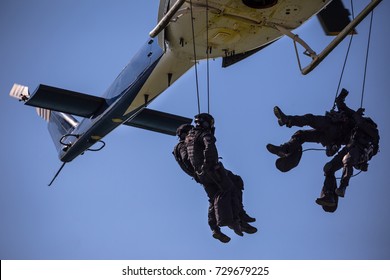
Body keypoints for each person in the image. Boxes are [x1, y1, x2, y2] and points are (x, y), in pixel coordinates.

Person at [184, 113, 257, 238]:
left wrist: (197, 172)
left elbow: (189, 158)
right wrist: (209, 164)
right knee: (230, 188)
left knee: (217, 196)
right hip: (211, 169)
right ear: (207, 124)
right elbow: (209, 147)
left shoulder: (189, 138)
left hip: (201, 174)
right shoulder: (205, 135)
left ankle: (227, 223)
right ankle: (235, 219)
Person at [315, 90, 380, 208]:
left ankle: (342, 187)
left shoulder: (373, 133)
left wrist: (356, 115)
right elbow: (346, 110)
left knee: (347, 160)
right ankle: (329, 195)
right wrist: (341, 100)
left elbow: (360, 122)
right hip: (350, 147)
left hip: (358, 151)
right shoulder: (357, 126)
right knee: (328, 168)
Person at [266, 89, 355, 173]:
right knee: (301, 134)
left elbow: (341, 104)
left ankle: (288, 120)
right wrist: (341, 96)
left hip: (331, 128)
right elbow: (340, 103)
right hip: (327, 137)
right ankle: (284, 149)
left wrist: (341, 96)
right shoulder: (353, 121)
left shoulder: (355, 123)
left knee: (310, 119)